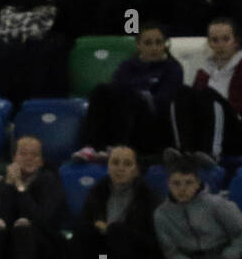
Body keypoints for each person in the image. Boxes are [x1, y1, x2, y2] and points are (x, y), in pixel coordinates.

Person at [73, 21, 181, 159]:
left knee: (127, 96)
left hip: (153, 122)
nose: (154, 48)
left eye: (158, 42)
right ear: (138, 45)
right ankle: (92, 146)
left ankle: (117, 147)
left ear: (165, 44)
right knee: (101, 90)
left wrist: (138, 92)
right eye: (148, 43)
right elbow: (115, 90)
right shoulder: (127, 66)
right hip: (125, 113)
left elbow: (165, 100)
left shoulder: (172, 68)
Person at [170, 16, 242, 160]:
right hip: (207, 125)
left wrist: (224, 106)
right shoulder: (204, 71)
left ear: (236, 41)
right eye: (215, 40)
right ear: (209, 43)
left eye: (225, 39)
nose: (220, 45)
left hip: (241, 128)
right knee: (183, 92)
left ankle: (211, 154)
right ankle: (183, 151)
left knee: (208, 96)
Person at [67, 145, 162, 259]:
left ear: (136, 170)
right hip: (102, 250)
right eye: (115, 163)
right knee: (84, 232)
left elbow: (152, 239)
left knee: (117, 231)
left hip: (136, 258)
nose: (120, 168)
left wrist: (113, 229)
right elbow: (85, 222)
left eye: (127, 164)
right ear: (108, 167)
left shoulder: (148, 197)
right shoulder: (97, 191)